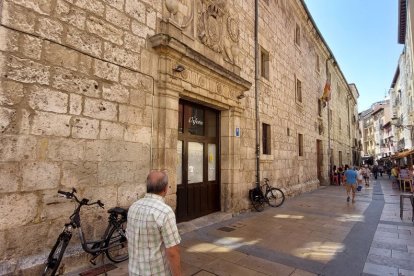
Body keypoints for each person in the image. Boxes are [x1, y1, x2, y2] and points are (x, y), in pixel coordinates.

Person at [127, 171, 181, 276]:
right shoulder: (165, 212)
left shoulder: (133, 207)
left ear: (147, 186)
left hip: (133, 271)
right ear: (165, 188)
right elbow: (173, 252)